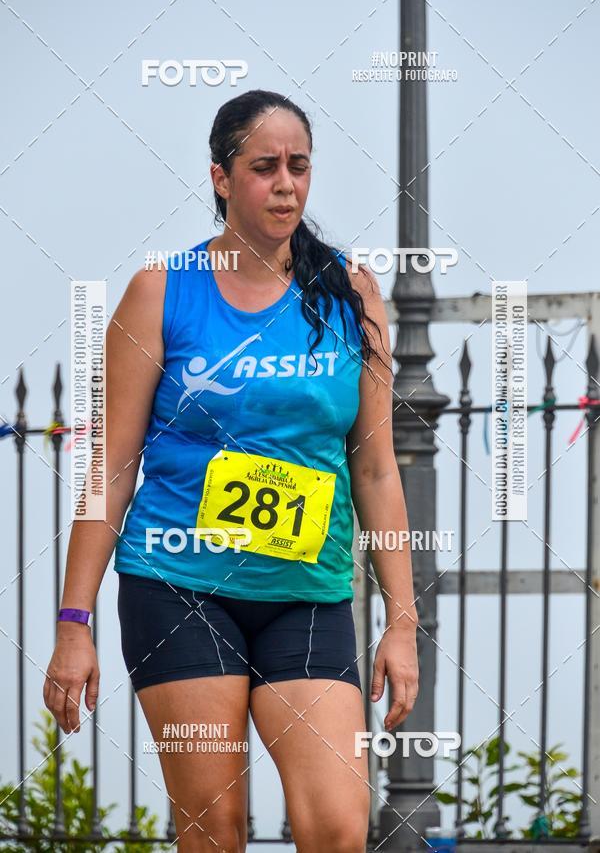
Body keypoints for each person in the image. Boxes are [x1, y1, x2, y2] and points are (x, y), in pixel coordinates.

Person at [43, 89, 419, 853]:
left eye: (299, 166)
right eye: (264, 167)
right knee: (215, 831)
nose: (286, 183)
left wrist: (402, 624)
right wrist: (72, 626)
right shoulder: (161, 291)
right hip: (177, 588)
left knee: (339, 827)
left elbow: (376, 470)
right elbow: (111, 468)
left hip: (306, 595)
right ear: (221, 178)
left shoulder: (351, 294)